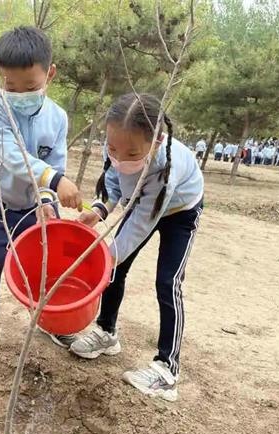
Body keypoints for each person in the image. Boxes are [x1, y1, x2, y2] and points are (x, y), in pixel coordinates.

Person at [46, 93, 203, 402]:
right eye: (113, 148)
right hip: (145, 202)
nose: (120, 156)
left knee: (167, 282)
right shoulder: (117, 146)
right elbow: (115, 181)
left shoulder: (166, 169)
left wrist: (103, 257)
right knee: (117, 268)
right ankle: (107, 332)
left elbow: (141, 221)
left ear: (157, 142)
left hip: (179, 209)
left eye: (132, 152)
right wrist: (100, 209)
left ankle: (167, 370)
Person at [0, 26, 82, 355]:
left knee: (42, 266)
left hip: (31, 206)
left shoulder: (58, 118)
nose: (20, 93)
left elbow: (55, 159)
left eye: (31, 86)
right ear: (0, 76)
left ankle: (52, 323)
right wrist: (54, 181)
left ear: (50, 74)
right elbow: (12, 157)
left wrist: (46, 199)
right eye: (10, 85)